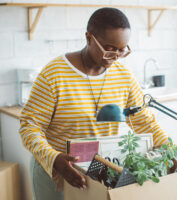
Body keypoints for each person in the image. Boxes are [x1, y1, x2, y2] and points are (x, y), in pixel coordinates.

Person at [19, 7, 168, 200]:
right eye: (109, 49)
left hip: (98, 172)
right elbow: (29, 127)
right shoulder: (53, 75)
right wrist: (54, 159)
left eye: (121, 50)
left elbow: (143, 121)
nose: (115, 57)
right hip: (55, 171)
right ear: (89, 38)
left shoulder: (124, 77)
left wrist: (168, 147)